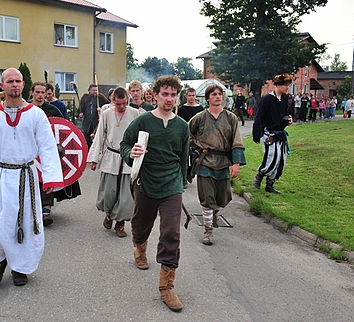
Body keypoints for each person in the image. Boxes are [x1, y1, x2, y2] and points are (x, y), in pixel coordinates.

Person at [0, 68, 64, 287]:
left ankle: (21, 267)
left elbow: (47, 147)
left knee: (26, 223)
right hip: (0, 177)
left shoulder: (36, 115)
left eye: (18, 81)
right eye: (10, 81)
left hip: (26, 178)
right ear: (2, 85)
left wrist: (51, 178)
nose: (14, 85)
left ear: (23, 84)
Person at [120, 75, 189, 312]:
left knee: (171, 232)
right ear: (155, 95)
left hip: (171, 184)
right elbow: (125, 145)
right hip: (146, 181)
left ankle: (166, 286)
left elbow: (183, 157)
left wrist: (182, 181)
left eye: (173, 95)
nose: (169, 99)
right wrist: (133, 152)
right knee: (140, 224)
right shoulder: (143, 121)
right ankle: (140, 246)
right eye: (165, 94)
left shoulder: (182, 125)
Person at [189, 84, 246, 246]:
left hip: (223, 162)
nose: (217, 96)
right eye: (213, 94)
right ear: (207, 98)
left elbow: (236, 141)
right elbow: (188, 133)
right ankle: (208, 230)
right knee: (207, 198)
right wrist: (196, 148)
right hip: (205, 162)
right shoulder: (199, 117)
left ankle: (214, 212)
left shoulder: (231, 118)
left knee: (223, 197)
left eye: (220, 94)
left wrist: (236, 163)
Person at [87, 87, 140, 238]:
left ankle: (120, 224)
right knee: (109, 193)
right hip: (111, 156)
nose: (122, 107)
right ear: (113, 101)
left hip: (127, 158)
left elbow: (139, 137)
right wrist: (94, 159)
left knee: (125, 196)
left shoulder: (135, 114)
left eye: (124, 103)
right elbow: (99, 136)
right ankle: (109, 214)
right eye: (118, 104)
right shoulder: (106, 114)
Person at [252, 73, 293, 194]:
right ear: (278, 85)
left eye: (288, 85)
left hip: (280, 133)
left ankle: (270, 184)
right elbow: (258, 118)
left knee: (280, 160)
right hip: (269, 134)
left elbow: (284, 113)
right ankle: (260, 175)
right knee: (271, 158)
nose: (287, 88)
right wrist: (256, 135)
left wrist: (288, 119)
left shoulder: (285, 98)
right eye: (285, 85)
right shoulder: (267, 99)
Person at [30, 82, 65, 226]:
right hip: (30, 151)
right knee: (32, 180)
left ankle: (46, 211)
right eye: (37, 92)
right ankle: (31, 209)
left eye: (42, 92)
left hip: (48, 150)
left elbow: (63, 129)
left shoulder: (53, 110)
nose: (40, 95)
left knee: (46, 179)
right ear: (31, 93)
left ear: (46, 93)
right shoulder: (26, 110)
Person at [78, 84, 109, 149]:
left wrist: (101, 109)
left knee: (95, 138)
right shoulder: (85, 97)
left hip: (96, 122)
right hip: (87, 123)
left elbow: (108, 105)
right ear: (89, 90)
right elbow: (81, 107)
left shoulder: (100, 97)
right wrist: (80, 113)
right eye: (93, 90)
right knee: (86, 139)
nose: (95, 92)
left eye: (96, 90)